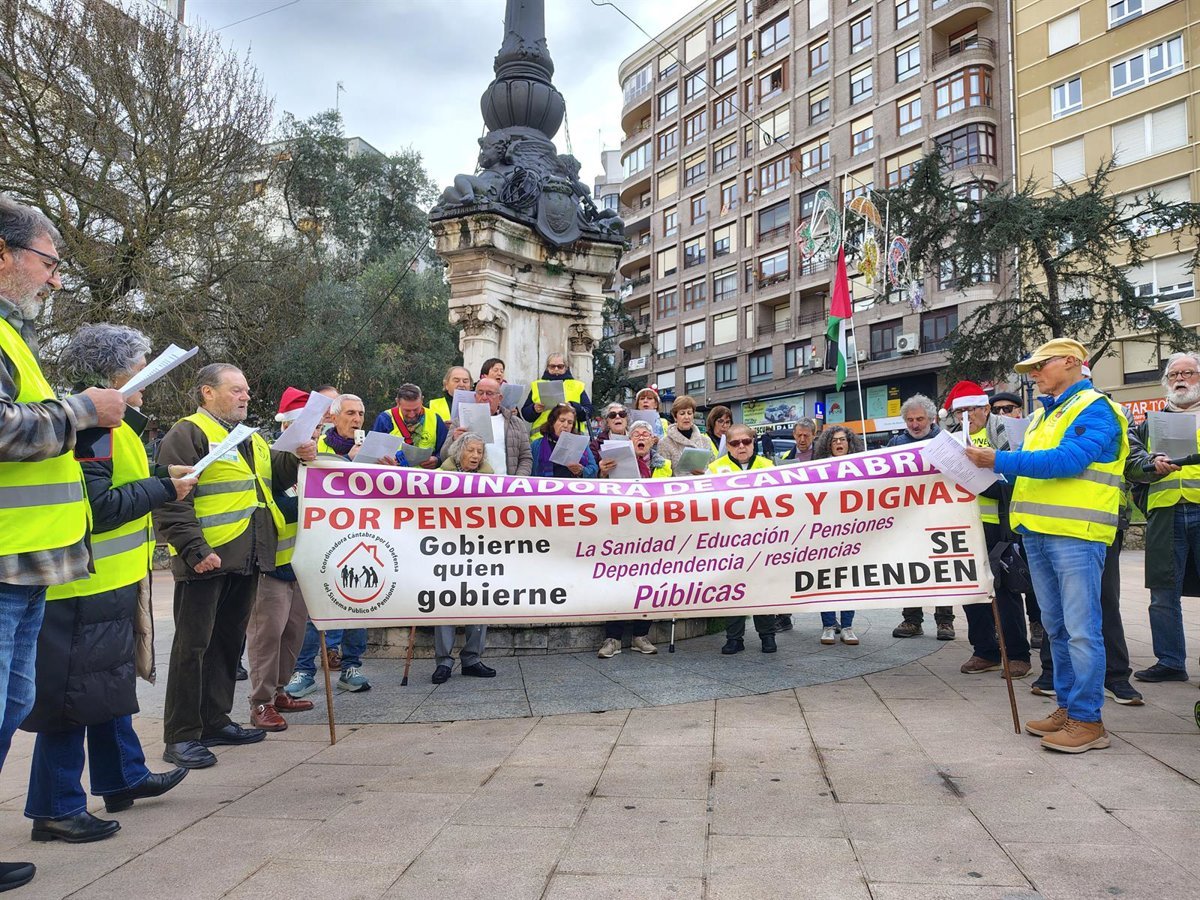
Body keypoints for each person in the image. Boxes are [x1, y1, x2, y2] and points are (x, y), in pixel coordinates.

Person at [21, 325, 193, 843]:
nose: (148, 383)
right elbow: (98, 507)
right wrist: (164, 487)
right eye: (144, 370)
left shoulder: (114, 425)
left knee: (105, 687)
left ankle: (124, 777)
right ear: (120, 374)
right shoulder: (94, 429)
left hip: (108, 581)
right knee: (73, 697)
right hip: (83, 586)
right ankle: (55, 806)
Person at [1, 196, 126, 890]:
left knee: (12, 708)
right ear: (4, 252)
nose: (54, 280)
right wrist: (81, 411)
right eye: (48, 263)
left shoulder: (14, 338)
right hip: (8, 560)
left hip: (30, 563)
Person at [964, 338, 1128, 753]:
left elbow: (1067, 462)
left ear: (1072, 362)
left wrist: (995, 461)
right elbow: (1026, 475)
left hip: (1076, 535)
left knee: (1081, 630)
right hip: (1037, 533)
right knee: (1056, 628)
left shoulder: (1097, 408)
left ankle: (1088, 721)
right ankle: (1068, 708)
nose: (1034, 374)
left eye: (1040, 365)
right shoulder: (1041, 417)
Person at [156, 364, 316, 769]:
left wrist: (296, 456)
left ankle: (215, 721)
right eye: (235, 390)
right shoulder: (188, 432)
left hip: (248, 558)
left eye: (246, 390)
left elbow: (270, 483)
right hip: (207, 559)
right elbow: (173, 498)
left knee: (227, 645)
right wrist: (194, 549)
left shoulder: (252, 439)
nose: (245, 396)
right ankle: (181, 736)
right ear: (207, 393)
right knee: (192, 648)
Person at [939, 381, 1032, 679]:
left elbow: (1017, 474)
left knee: (1005, 593)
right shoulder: (950, 440)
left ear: (985, 408)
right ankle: (985, 650)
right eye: (960, 411)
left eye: (972, 409)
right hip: (964, 525)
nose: (967, 416)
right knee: (971, 592)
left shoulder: (1004, 432)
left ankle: (1018, 654)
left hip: (999, 525)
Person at [1124, 351, 1200, 684]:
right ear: (1166, 382)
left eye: (1189, 373)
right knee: (1162, 592)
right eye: (1173, 375)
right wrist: (1149, 469)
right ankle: (1170, 660)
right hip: (1164, 512)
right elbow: (1133, 465)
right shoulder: (1148, 425)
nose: (1181, 379)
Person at [596, 420, 671, 657]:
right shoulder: (615, 463)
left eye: (646, 434)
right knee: (617, 584)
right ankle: (613, 639)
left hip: (652, 533)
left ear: (652, 441)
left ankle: (640, 635)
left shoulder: (664, 466)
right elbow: (599, 495)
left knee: (647, 585)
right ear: (630, 441)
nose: (641, 437)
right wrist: (602, 474)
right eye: (636, 433)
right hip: (622, 532)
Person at [887, 393, 955, 641]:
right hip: (908, 518)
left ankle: (945, 621)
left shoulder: (945, 441)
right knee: (909, 568)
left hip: (940, 515)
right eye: (910, 420)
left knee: (942, 568)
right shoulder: (895, 443)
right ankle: (912, 619)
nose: (915, 424)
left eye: (920, 419)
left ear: (932, 418)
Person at [709, 425, 778, 654]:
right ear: (727, 445)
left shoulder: (768, 467)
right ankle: (734, 638)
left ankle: (767, 636)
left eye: (746, 441)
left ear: (753, 442)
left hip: (762, 539)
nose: (741, 446)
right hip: (729, 541)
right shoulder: (715, 469)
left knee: (763, 590)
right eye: (735, 443)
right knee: (732, 590)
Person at [990, 391, 1045, 651]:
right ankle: (1010, 633)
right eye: (997, 410)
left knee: (1033, 575)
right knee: (1008, 577)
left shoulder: (1032, 432)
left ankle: (1038, 623)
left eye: (1008, 409)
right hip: (1002, 516)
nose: (1003, 414)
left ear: (1019, 411)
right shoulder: (989, 437)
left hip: (1031, 514)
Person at [811, 425, 863, 646]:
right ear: (827, 445)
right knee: (826, 581)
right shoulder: (819, 469)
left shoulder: (862, 468)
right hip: (827, 532)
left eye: (843, 439)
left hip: (853, 532)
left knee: (849, 580)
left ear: (850, 443)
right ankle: (829, 625)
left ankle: (848, 626)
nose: (839, 444)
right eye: (834, 441)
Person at [443, 377, 532, 478]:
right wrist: (454, 440)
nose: (484, 397)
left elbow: (526, 457)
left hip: (505, 486)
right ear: (475, 396)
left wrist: (517, 481)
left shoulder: (516, 423)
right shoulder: (460, 421)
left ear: (500, 398)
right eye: (480, 393)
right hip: (470, 485)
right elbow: (444, 456)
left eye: (489, 393)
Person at [371, 383, 448, 469]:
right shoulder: (385, 419)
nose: (411, 414)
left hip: (425, 478)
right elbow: (373, 453)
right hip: (394, 476)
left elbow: (445, 450)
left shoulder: (435, 418)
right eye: (407, 410)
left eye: (416, 409)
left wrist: (437, 460)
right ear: (397, 402)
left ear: (422, 400)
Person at [522, 352, 592, 433]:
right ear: (547, 368)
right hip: (541, 437)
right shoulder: (537, 385)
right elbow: (525, 414)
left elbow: (589, 412)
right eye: (552, 366)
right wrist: (534, 409)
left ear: (566, 368)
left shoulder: (577, 385)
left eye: (560, 366)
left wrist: (573, 406)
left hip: (571, 437)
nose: (556, 369)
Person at [531, 404, 598, 478]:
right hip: (544, 487)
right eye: (562, 420)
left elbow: (594, 470)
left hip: (571, 487)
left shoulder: (580, 444)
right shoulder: (536, 445)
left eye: (570, 422)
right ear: (552, 422)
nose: (565, 425)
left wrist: (581, 471)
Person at [659, 394, 712, 474]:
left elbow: (712, 468)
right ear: (675, 417)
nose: (686, 417)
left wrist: (704, 473)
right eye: (682, 413)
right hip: (678, 485)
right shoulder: (665, 443)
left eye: (689, 413)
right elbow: (663, 473)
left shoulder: (706, 441)